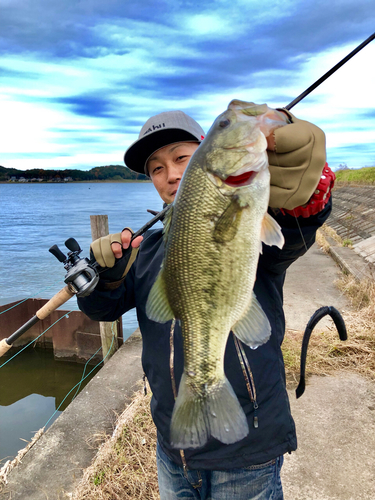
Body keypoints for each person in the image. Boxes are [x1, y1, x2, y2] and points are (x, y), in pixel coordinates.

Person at [78, 105, 335, 499]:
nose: (172, 175)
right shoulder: (147, 252)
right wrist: (104, 280)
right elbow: (104, 309)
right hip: (173, 443)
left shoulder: (252, 209)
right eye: (156, 168)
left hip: (250, 444)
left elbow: (296, 227)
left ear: (202, 155)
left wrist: (310, 190)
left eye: (181, 158)